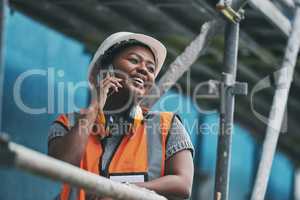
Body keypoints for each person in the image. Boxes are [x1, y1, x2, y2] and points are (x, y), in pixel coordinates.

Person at [48, 32, 194, 200]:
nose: (143, 70)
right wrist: (95, 107)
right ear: (105, 70)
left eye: (151, 68)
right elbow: (60, 166)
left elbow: (183, 185)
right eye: (133, 60)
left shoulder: (167, 125)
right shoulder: (69, 123)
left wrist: (120, 190)